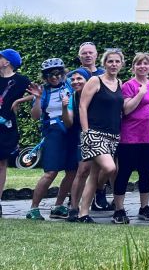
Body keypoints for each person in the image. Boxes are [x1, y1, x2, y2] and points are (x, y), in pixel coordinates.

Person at [112, 52, 149, 224]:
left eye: (146, 63)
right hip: (129, 136)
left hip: (148, 136)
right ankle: (119, 210)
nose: (142, 66)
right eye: (139, 64)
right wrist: (140, 94)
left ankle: (144, 208)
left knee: (146, 172)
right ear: (133, 67)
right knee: (124, 172)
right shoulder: (128, 85)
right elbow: (126, 109)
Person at [77, 49, 125, 223]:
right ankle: (100, 190)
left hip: (113, 135)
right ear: (104, 63)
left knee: (94, 173)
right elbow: (82, 106)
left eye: (117, 61)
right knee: (110, 168)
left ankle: (83, 213)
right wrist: (86, 131)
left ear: (121, 64)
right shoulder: (95, 81)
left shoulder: (120, 83)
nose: (114, 64)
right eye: (110, 61)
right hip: (95, 133)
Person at [26, 58, 77, 220]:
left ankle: (58, 206)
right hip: (53, 131)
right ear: (45, 77)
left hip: (71, 130)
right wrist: (38, 99)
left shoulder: (70, 85)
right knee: (51, 172)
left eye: (57, 74)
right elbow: (35, 116)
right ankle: (33, 208)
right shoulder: (43, 91)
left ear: (63, 73)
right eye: (50, 75)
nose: (54, 77)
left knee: (72, 171)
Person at [0, 48, 31, 218]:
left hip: (6, 127)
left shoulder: (21, 80)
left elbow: (39, 92)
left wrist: (19, 100)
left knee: (1, 164)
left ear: (7, 62)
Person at [64, 68, 91, 222]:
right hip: (83, 136)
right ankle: (74, 208)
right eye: (73, 80)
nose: (75, 82)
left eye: (79, 78)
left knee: (110, 169)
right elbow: (69, 122)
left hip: (104, 133)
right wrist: (64, 107)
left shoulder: (97, 94)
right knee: (82, 170)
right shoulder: (72, 98)